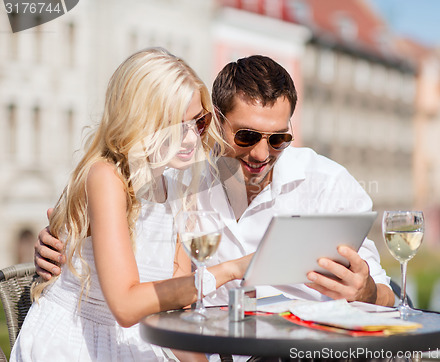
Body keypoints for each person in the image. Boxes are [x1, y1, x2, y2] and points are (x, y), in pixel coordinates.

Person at [35, 55, 394, 309]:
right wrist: (59, 247)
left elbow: (389, 296)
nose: (261, 154)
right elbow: (109, 233)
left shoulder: (326, 183)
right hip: (214, 348)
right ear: (216, 121)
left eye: (278, 139)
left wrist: (365, 291)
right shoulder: (175, 176)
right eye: (246, 136)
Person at [12, 47, 249, 362]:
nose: (192, 138)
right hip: (79, 343)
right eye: (178, 126)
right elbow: (125, 307)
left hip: (140, 339)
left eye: (199, 122)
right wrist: (231, 270)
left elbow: (171, 310)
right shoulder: (106, 178)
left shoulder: (176, 188)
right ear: (142, 122)